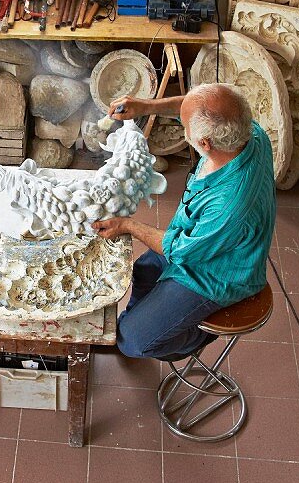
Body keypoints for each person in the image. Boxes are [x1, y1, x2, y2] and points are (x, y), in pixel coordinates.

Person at [93, 84, 276, 361]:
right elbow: (195, 106)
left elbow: (177, 250)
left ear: (205, 143)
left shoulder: (229, 205)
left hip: (216, 274)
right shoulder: (249, 132)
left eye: (186, 127)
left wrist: (128, 225)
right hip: (199, 243)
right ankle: (143, 319)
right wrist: (146, 106)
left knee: (133, 342)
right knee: (144, 269)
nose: (181, 122)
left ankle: (195, 333)